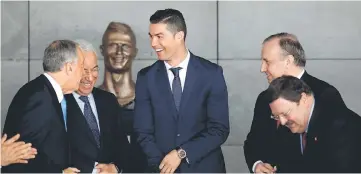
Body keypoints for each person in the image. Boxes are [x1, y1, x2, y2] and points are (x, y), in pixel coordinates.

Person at [133, 8, 229, 173]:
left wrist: (181, 154)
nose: (153, 44)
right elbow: (143, 132)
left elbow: (219, 129)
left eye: (159, 36)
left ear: (179, 36)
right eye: (151, 36)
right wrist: (162, 165)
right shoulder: (146, 78)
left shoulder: (211, 73)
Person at [243, 32, 347, 173]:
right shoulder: (265, 98)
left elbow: (337, 151)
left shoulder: (325, 94)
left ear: (288, 61)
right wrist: (257, 164)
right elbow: (253, 141)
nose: (262, 69)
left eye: (267, 61)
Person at [2, 40, 84, 173]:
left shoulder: (43, 92)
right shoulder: (38, 97)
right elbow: (22, 158)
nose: (83, 73)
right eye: (82, 67)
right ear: (69, 67)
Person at [266, 75, 361, 173]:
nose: (282, 122)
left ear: (303, 99)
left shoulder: (340, 126)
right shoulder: (288, 127)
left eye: (285, 114)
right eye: (276, 116)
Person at [65, 39, 130, 173]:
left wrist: (115, 168)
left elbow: (123, 146)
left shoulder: (108, 100)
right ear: (71, 69)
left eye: (94, 69)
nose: (90, 77)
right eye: (84, 71)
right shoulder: (59, 103)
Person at [98, 22, 147, 172]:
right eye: (113, 45)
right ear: (102, 50)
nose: (119, 52)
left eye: (125, 46)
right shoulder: (89, 101)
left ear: (135, 51)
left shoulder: (149, 101)